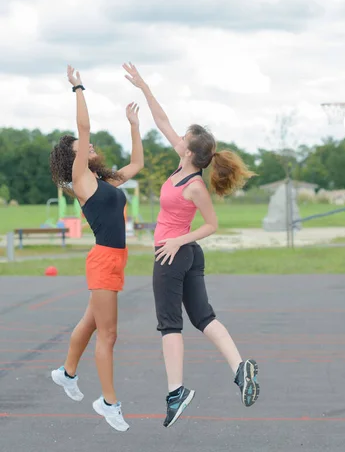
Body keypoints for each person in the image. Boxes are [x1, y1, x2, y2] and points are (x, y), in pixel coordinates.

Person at [123, 62, 260, 428]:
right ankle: (239, 367)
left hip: (174, 253)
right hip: (186, 255)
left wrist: (177, 239)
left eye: (182, 138)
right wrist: (145, 87)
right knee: (204, 317)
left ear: (187, 151)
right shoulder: (185, 166)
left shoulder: (194, 184)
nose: (177, 138)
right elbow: (162, 120)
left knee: (170, 326)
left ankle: (176, 392)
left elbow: (212, 224)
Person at [49, 65, 144, 432]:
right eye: (81, 147)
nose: (89, 145)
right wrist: (79, 88)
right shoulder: (81, 179)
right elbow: (84, 128)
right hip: (104, 259)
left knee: (90, 324)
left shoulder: (105, 180)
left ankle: (66, 373)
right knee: (109, 335)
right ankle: (108, 403)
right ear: (74, 157)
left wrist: (134, 126)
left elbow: (136, 163)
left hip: (114, 260)